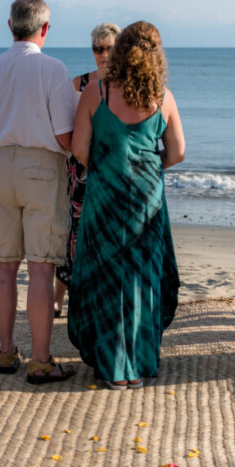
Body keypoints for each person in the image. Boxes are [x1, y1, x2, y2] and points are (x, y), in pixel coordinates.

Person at [0, 0, 78, 384]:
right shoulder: (52, 68)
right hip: (40, 167)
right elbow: (63, 134)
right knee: (41, 269)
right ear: (45, 29)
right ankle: (41, 360)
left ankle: (8, 350)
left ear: (9, 26)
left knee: (4, 267)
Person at [68, 21, 186, 390]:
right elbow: (178, 152)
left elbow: (79, 149)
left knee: (106, 276)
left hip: (104, 194)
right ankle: (138, 364)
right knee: (142, 276)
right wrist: (147, 169)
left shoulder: (96, 92)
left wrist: (108, 170)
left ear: (119, 50)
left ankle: (112, 367)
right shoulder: (164, 97)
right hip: (146, 199)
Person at [54, 22, 121, 317]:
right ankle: (59, 299)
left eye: (109, 48)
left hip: (112, 169)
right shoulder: (78, 84)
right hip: (79, 168)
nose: (104, 54)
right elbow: (61, 126)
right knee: (74, 232)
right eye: (98, 49)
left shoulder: (127, 85)